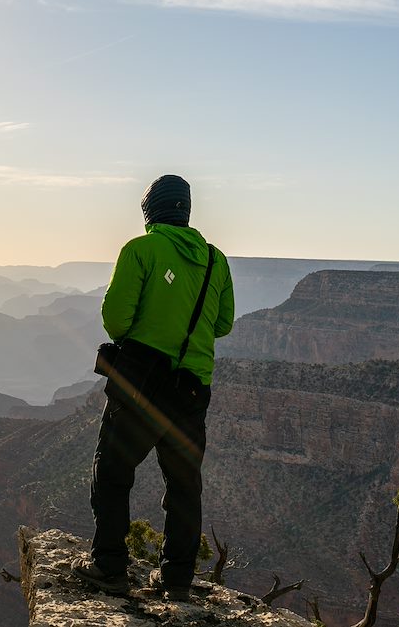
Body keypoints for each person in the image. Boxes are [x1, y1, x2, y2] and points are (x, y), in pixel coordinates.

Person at [72, 174, 234, 601]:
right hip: (193, 391)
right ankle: (177, 579)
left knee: (111, 472)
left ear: (149, 211)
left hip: (142, 384)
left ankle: (108, 566)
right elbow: (223, 324)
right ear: (186, 209)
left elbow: (117, 321)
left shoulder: (140, 250)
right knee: (184, 486)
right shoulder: (216, 261)